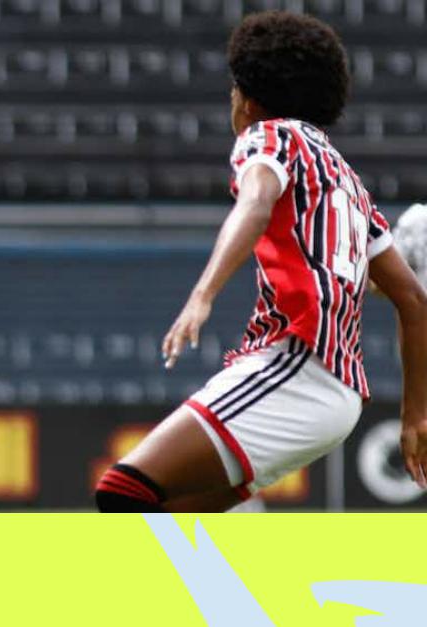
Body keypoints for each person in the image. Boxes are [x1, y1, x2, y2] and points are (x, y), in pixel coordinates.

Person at [95, 11, 427, 512]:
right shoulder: (349, 183)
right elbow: (413, 299)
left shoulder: (268, 137)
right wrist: (415, 415)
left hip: (297, 366)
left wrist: (202, 295)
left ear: (247, 101)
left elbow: (255, 201)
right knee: (173, 516)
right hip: (337, 399)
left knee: (123, 489)